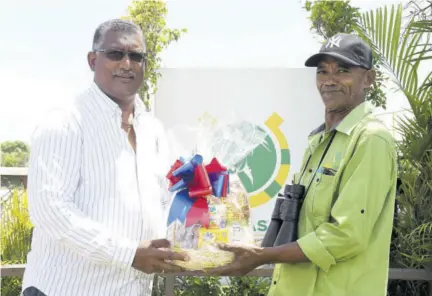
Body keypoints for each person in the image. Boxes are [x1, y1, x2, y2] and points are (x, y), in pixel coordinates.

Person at [206, 33, 398, 296]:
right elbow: (300, 222)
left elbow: (346, 235)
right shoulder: (318, 141)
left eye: (342, 71)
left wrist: (262, 256)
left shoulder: (371, 140)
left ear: (368, 79)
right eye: (322, 72)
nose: (329, 81)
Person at [22, 19, 188, 296]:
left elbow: (162, 202)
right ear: (92, 60)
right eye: (115, 54)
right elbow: (50, 210)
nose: (127, 64)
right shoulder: (65, 121)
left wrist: (198, 228)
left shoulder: (152, 129)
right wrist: (129, 254)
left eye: (136, 56)